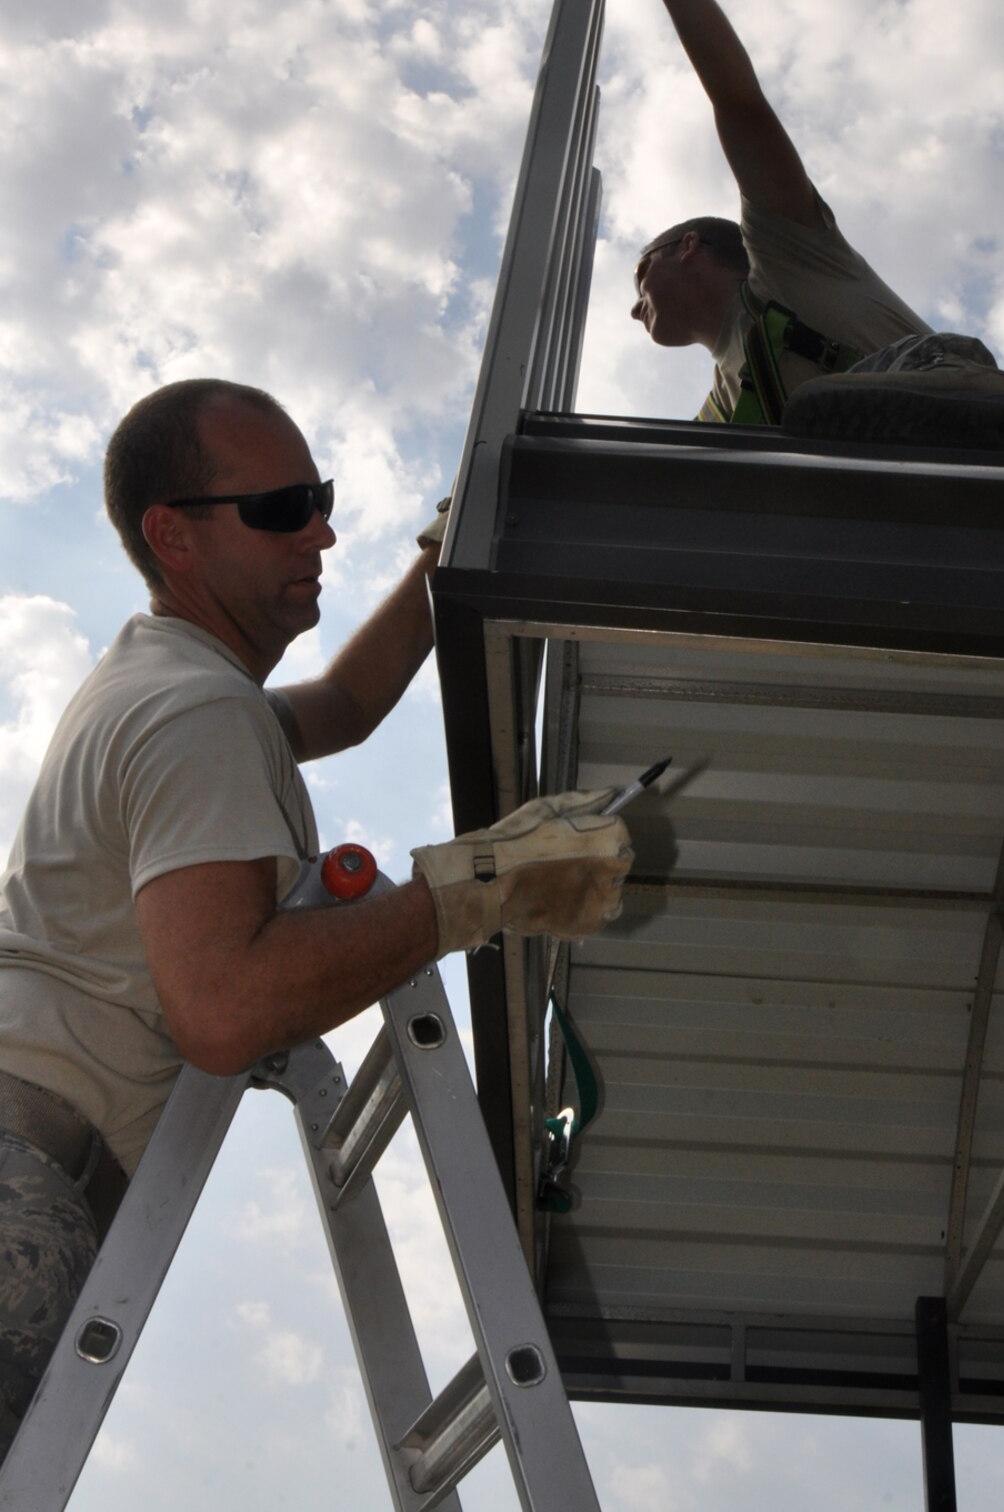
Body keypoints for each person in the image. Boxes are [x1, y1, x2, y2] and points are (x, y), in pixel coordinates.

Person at [0, 377, 630, 1454]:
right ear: (174, 536)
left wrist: (450, 555)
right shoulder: (193, 710)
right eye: (283, 507)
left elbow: (342, 704)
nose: (323, 528)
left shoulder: (179, 679)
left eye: (321, 494)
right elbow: (224, 1005)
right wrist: (481, 885)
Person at [612, 0, 1004, 453]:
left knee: (823, 406)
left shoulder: (788, 254)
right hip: (880, 519)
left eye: (642, 275)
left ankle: (965, 403)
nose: (631, 307)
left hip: (944, 406)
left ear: (688, 246)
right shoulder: (717, 416)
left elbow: (739, 103)